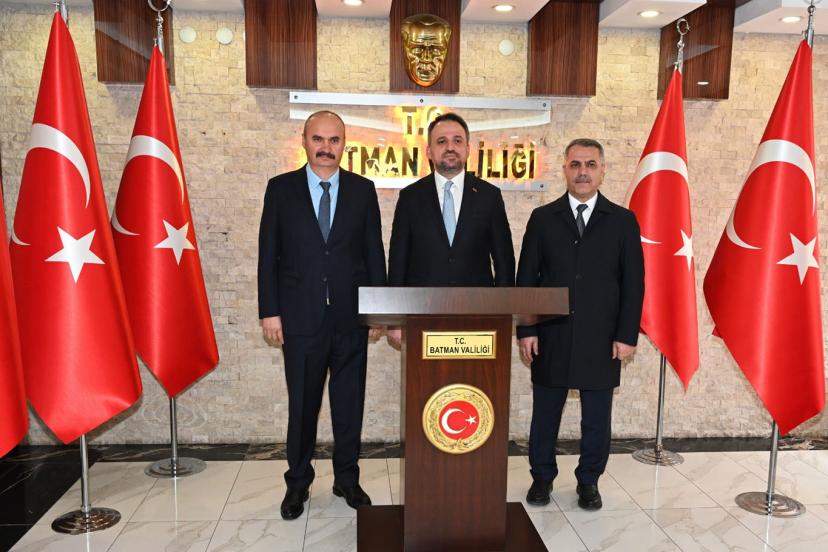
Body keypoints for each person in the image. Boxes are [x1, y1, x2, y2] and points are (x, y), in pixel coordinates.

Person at [258, 111, 386, 520]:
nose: (326, 148)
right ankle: (298, 483)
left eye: (334, 140)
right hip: (300, 320)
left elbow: (374, 253)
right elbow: (268, 255)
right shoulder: (281, 189)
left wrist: (378, 312)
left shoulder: (363, 190)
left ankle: (347, 479)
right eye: (318, 139)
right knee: (303, 406)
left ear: (344, 144)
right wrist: (270, 311)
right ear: (304, 141)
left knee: (349, 405)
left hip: (350, 320)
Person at [516, 138, 644, 511]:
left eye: (590, 164)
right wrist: (527, 329)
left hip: (602, 337)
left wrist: (626, 335)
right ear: (565, 170)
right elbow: (527, 280)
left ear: (602, 171)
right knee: (545, 415)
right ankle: (542, 477)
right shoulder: (543, 218)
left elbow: (634, 283)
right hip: (551, 335)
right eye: (575, 164)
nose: (582, 172)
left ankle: (589, 481)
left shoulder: (622, 221)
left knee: (596, 419)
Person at [387, 112, 515, 346]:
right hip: (421, 315)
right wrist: (394, 320)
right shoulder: (410, 198)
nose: (450, 147)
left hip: (478, 316)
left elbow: (504, 260)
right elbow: (398, 262)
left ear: (467, 149)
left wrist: (503, 314)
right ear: (429, 151)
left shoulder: (489, 196)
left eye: (457, 141)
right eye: (441, 141)